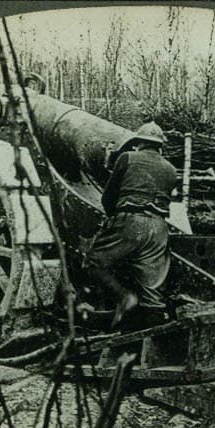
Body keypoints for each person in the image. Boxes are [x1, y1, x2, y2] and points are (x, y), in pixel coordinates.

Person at [84, 129, 180, 328]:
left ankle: (125, 297)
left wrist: (114, 219)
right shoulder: (171, 169)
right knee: (152, 292)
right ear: (160, 146)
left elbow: (108, 196)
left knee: (94, 262)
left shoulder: (127, 157)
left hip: (130, 220)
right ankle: (153, 334)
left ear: (139, 142)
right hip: (159, 228)